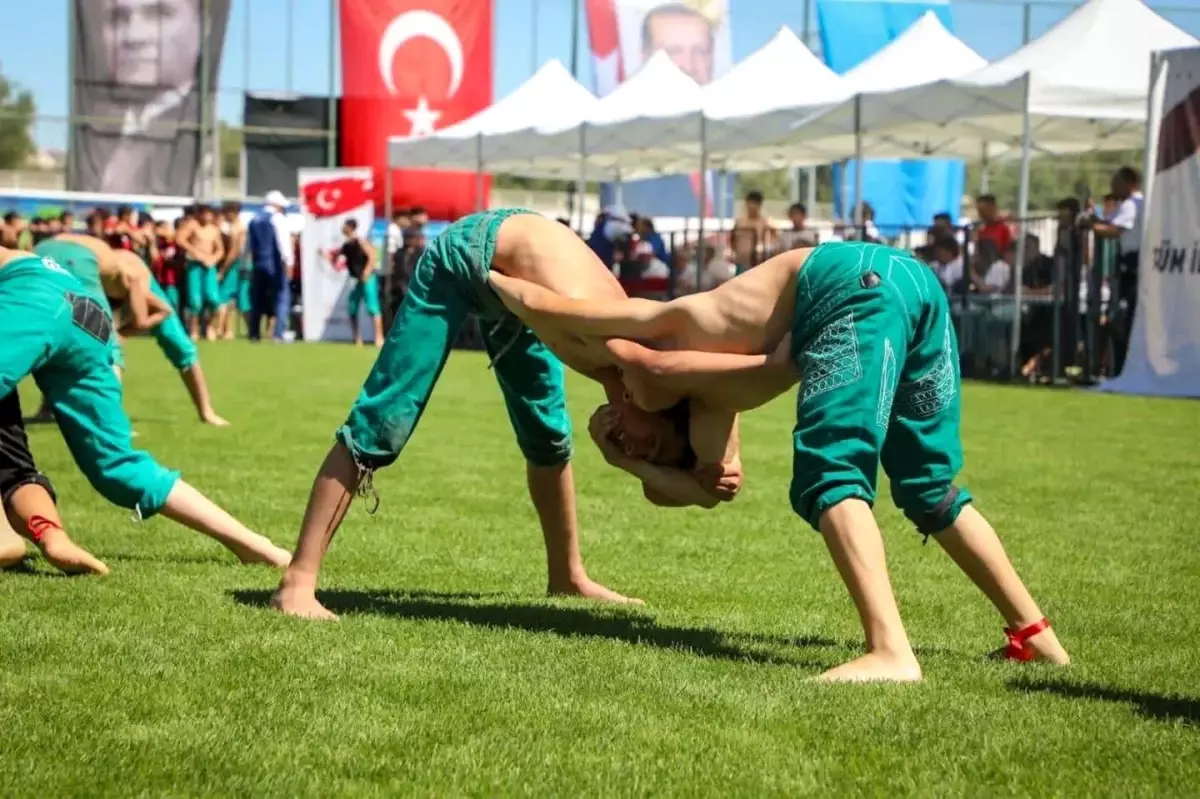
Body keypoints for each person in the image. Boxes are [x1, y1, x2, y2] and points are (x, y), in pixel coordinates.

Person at [486, 239, 1071, 683]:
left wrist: (485, 273)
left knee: (830, 470)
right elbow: (698, 490)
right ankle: (1035, 635)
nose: (622, 420)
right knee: (928, 485)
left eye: (626, 426)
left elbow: (555, 311)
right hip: (910, 283)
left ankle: (891, 651)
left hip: (852, 287)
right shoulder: (703, 399)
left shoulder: (660, 339)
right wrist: (627, 465)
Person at [271, 209, 754, 621]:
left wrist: (635, 463)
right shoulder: (633, 357)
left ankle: (567, 577)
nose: (633, 446)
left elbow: (671, 489)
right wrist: (714, 459)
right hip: (472, 260)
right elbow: (529, 300)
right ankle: (297, 581)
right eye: (649, 444)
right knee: (384, 422)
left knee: (548, 436)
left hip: (525, 293)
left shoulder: (639, 383)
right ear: (661, 405)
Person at [0, 243, 290, 567]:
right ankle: (254, 544)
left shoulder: (112, 262)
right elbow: (139, 316)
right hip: (84, 309)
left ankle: (9, 534)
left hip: (31, 295)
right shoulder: (116, 261)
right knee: (117, 465)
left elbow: (140, 314)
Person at [104, 249, 231, 426]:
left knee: (182, 348)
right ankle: (108, 419)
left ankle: (206, 411)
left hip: (141, 288)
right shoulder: (80, 278)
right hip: (109, 287)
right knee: (107, 353)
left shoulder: (132, 279)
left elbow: (157, 313)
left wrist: (121, 334)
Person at [247, 191, 294, 342]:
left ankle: (254, 332)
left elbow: (248, 245)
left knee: (257, 299)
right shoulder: (278, 219)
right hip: (275, 264)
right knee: (282, 297)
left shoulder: (254, 219)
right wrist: (289, 262)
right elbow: (283, 242)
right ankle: (278, 333)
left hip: (258, 264)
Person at [334, 218, 383, 347]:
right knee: (352, 309)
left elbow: (372, 256)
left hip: (368, 279)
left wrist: (366, 272)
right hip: (355, 279)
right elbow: (336, 257)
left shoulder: (360, 241)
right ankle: (357, 338)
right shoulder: (346, 245)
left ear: (350, 227)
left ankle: (379, 337)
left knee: (373, 308)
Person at [181, 205, 225, 341]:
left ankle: (210, 326)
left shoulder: (214, 229)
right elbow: (180, 239)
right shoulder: (192, 225)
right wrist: (195, 252)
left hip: (209, 266)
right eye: (205, 214)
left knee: (213, 298)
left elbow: (220, 249)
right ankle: (194, 330)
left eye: (210, 214)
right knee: (195, 300)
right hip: (195, 265)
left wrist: (213, 259)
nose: (207, 217)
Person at [216, 202, 250, 339]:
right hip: (243, 266)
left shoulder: (238, 229)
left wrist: (223, 270)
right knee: (240, 300)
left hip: (237, 266)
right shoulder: (236, 227)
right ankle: (229, 330)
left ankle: (221, 329)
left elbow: (234, 252)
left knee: (226, 297)